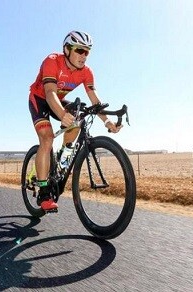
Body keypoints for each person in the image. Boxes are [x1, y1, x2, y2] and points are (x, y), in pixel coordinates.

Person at [28, 31, 122, 212]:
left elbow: (95, 100)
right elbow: (50, 93)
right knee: (47, 138)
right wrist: (62, 114)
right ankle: (44, 192)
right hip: (40, 99)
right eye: (80, 50)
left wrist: (107, 122)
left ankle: (64, 153)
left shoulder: (86, 72)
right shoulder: (52, 61)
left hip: (58, 99)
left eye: (87, 52)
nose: (84, 56)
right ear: (67, 49)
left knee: (79, 116)